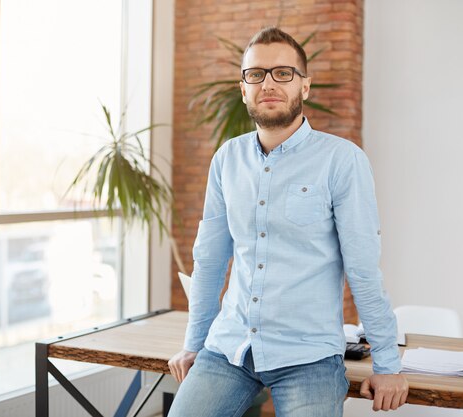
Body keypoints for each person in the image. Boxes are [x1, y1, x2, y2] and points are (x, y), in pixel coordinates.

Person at [168, 27, 409, 417]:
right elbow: (210, 260)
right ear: (243, 88)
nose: (269, 83)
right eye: (256, 74)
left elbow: (363, 269)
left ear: (305, 86)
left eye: (283, 73)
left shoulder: (342, 161)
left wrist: (387, 365)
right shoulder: (226, 160)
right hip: (230, 348)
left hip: (308, 356)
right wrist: (194, 343)